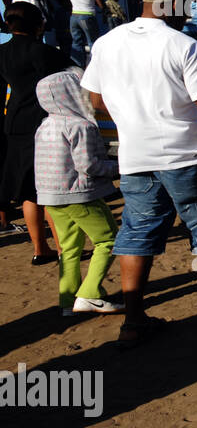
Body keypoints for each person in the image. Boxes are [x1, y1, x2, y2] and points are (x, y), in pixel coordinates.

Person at [81, 0, 197, 348]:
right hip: (184, 155)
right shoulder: (183, 45)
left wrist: (133, 120)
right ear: (173, 9)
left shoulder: (106, 42)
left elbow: (96, 100)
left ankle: (133, 321)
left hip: (135, 157)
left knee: (137, 232)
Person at [33, 67, 123, 316]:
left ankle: (67, 300)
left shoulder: (45, 124)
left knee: (69, 247)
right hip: (79, 194)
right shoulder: (81, 126)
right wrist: (119, 166)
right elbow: (88, 166)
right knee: (109, 240)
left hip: (50, 195)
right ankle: (90, 294)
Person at [0, 2, 68, 264]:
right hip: (43, 121)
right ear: (38, 24)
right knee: (49, 189)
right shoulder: (44, 52)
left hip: (14, 121)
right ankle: (62, 248)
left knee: (29, 191)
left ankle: (40, 248)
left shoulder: (3, 52)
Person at [66, 0, 104, 68]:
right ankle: (94, 66)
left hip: (73, 17)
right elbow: (101, 6)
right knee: (92, 42)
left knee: (76, 42)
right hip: (87, 17)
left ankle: (78, 65)